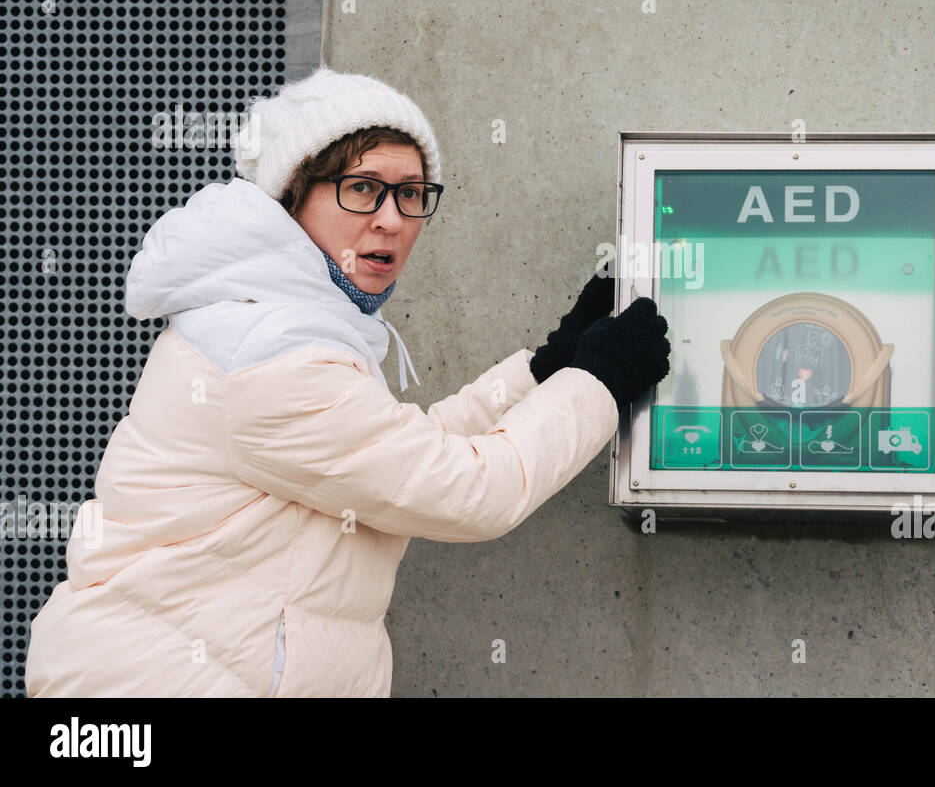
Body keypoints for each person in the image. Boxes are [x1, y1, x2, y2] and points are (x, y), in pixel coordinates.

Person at [24, 65, 670, 697]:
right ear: (292, 197)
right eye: (362, 188)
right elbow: (468, 491)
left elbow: (397, 454)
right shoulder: (272, 352)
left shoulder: (282, 325)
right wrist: (600, 380)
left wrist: (544, 372)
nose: (390, 218)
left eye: (411, 193)